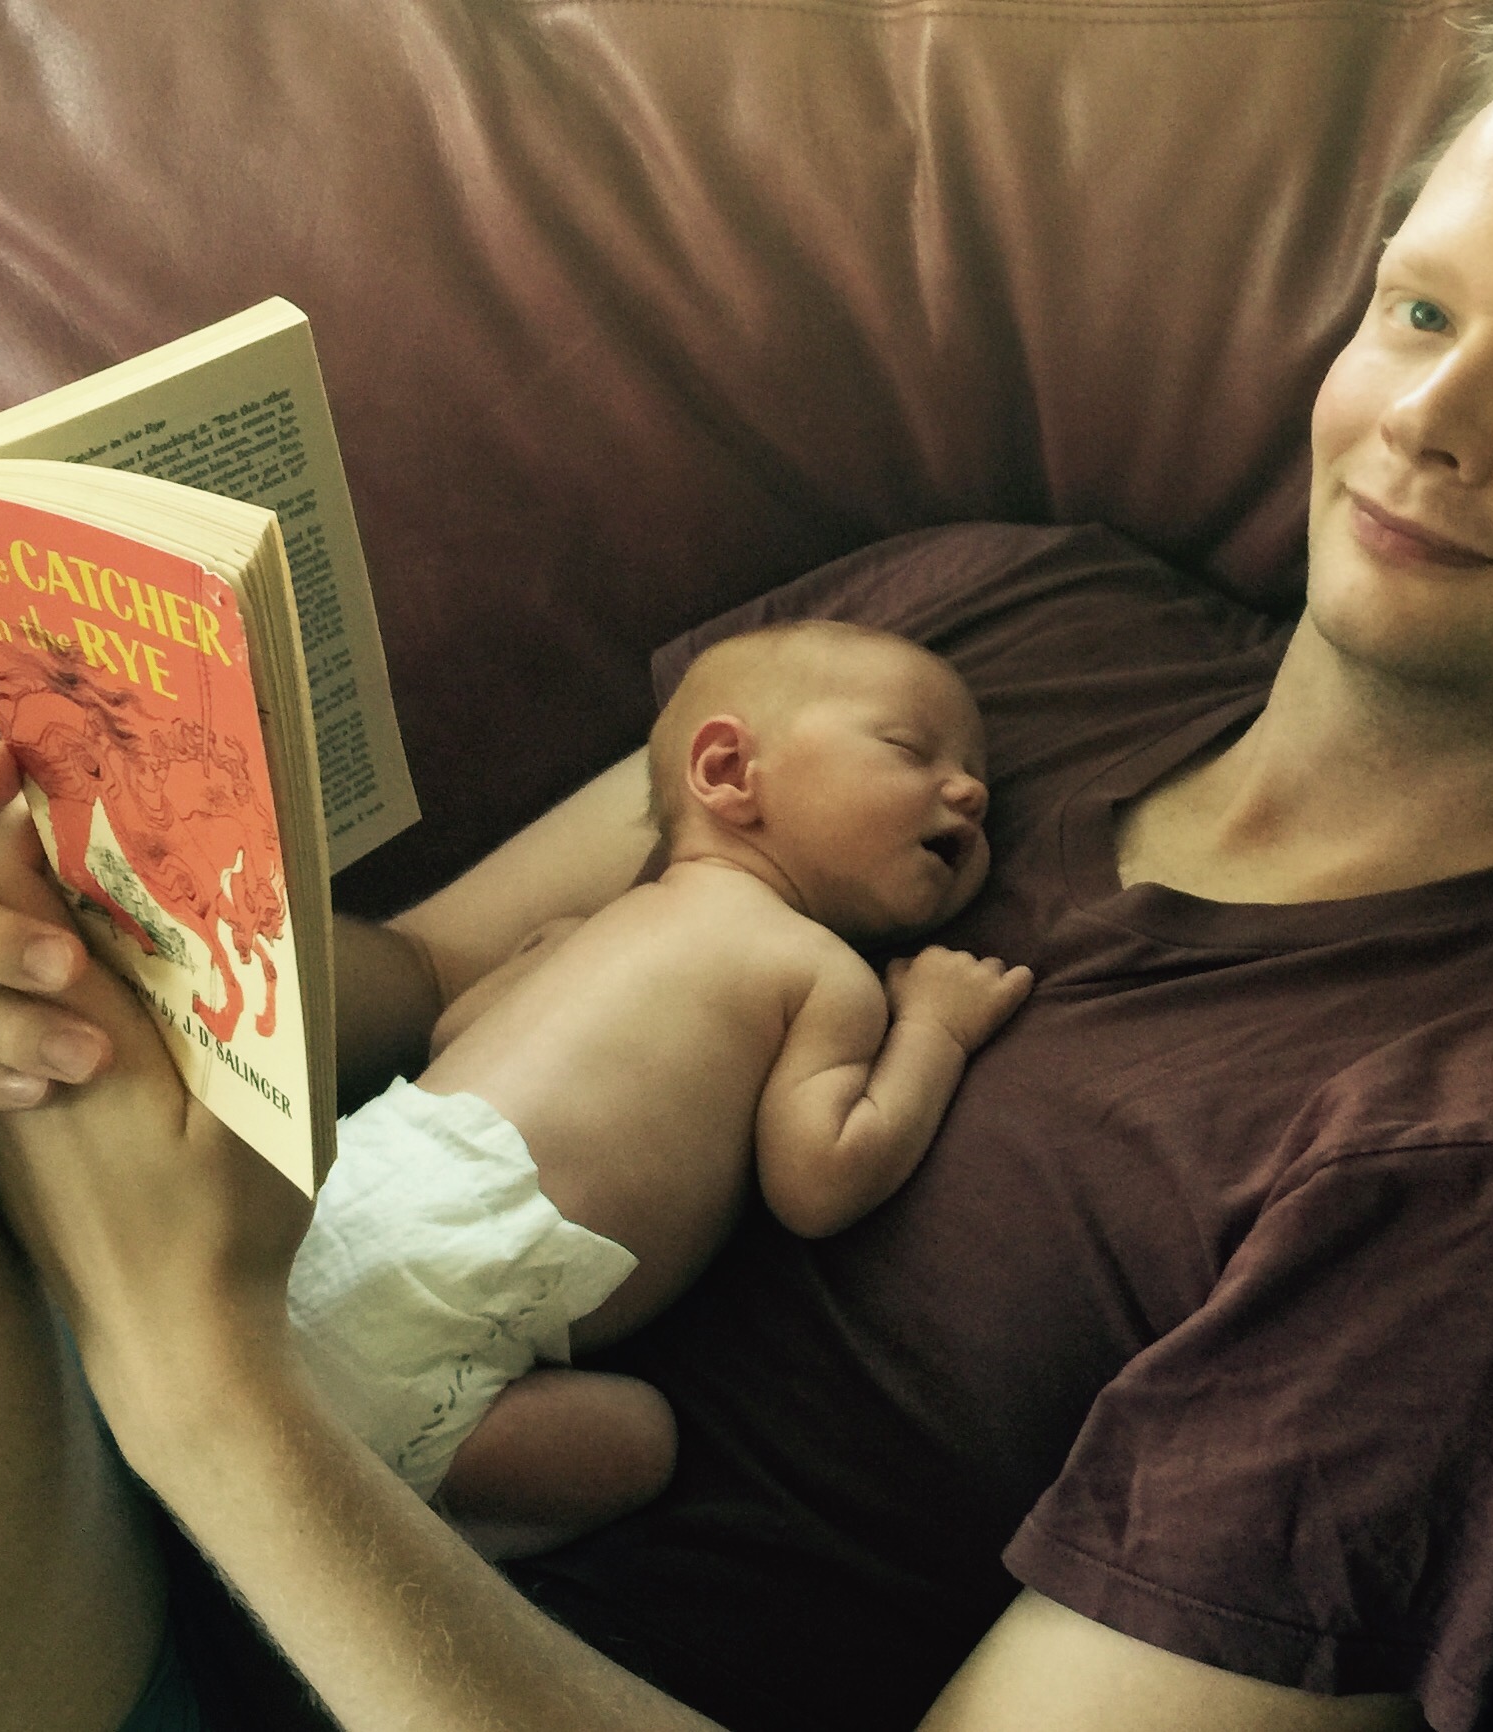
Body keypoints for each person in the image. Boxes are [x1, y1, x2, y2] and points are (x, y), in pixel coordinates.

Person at [0, 1, 1493, 1728]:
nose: (1427, 416)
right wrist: (82, 936)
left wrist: (206, 1383)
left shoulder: (1481, 1164)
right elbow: (425, 975)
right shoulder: (998, 625)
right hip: (107, 1416)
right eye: (1420, 307)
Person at [290, 620, 1030, 1552]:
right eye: (910, 750)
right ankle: (393, 1528)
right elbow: (821, 1178)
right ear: (727, 770)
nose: (969, 793)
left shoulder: (607, 921)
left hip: (313, 1222)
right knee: (642, 1443)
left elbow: (450, 1035)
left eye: (977, 784)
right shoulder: (818, 973)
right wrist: (934, 1032)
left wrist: (536, 961)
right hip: (430, 1340)